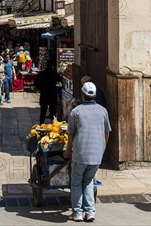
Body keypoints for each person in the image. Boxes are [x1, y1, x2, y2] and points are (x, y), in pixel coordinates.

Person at [63, 81, 111, 222]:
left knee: (77, 182)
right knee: (89, 180)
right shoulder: (103, 111)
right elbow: (107, 132)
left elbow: (70, 134)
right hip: (97, 154)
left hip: (80, 153)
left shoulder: (76, 112)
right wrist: (102, 147)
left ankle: (77, 213)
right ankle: (90, 212)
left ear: (82, 95)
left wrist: (68, 152)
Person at [34, 60, 61, 124]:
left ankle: (41, 125)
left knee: (43, 112)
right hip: (52, 94)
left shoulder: (41, 74)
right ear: (52, 66)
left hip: (44, 94)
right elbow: (60, 82)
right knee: (53, 113)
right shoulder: (55, 74)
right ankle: (53, 126)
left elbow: (35, 83)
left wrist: (41, 88)